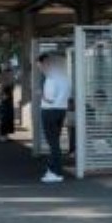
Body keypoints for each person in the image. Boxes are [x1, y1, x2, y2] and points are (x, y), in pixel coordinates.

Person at [38, 53, 72, 183]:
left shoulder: (51, 78)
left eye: (40, 66)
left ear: (46, 63)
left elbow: (49, 99)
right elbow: (67, 94)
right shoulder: (65, 77)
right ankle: (52, 168)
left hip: (49, 111)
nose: (40, 69)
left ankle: (56, 172)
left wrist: (41, 95)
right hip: (61, 110)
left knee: (53, 144)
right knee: (55, 142)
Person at [0, 66, 16, 142]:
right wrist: (3, 96)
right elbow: (2, 90)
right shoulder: (6, 80)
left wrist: (2, 96)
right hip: (6, 100)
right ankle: (4, 136)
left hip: (7, 100)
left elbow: (3, 90)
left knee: (6, 118)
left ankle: (5, 135)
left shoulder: (7, 80)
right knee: (5, 118)